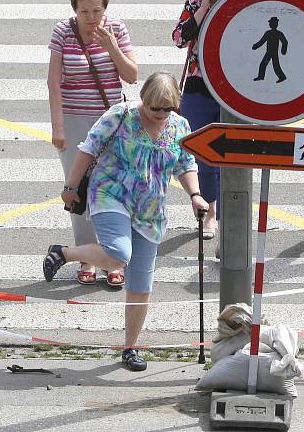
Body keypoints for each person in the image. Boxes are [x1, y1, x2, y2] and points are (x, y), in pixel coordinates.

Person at [43, 72, 209, 371]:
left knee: (141, 285)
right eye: (153, 108)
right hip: (110, 194)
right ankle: (66, 253)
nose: (159, 114)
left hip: (150, 209)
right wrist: (70, 187)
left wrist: (195, 195)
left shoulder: (180, 127)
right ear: (143, 99)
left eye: (166, 109)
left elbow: (186, 164)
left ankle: (130, 348)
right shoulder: (121, 115)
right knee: (119, 254)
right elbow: (88, 148)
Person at [47, 0, 138, 286]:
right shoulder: (63, 31)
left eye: (96, 10)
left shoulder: (117, 29)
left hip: (111, 120)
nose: (91, 17)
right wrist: (58, 127)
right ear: (75, 10)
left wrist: (111, 46)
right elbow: (53, 82)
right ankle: (85, 255)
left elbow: (131, 76)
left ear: (105, 9)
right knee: (79, 191)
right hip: (74, 119)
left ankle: (112, 258)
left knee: (113, 189)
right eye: (84, 11)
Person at [172, 0, 222, 248]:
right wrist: (204, 8)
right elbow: (179, 38)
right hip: (199, 81)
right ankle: (209, 209)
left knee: (231, 151)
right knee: (199, 148)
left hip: (233, 88)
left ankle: (220, 210)